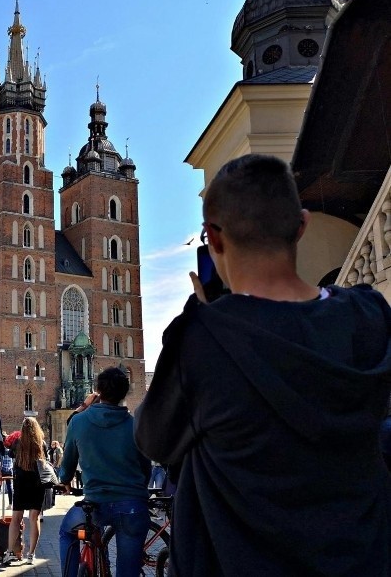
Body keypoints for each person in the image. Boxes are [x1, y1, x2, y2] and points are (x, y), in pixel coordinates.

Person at [135, 154, 391, 576]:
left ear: (214, 240)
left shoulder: (203, 337)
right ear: (302, 225)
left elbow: (153, 440)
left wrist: (198, 315)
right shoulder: (369, 317)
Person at [57, 368, 150, 577]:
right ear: (124, 393)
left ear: (97, 390)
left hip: (95, 506)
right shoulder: (135, 426)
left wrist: (64, 480)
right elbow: (146, 468)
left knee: (67, 532)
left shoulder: (78, 422)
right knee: (128, 569)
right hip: (132, 506)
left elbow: (68, 462)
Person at [1, 417, 48, 566]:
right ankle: (31, 555)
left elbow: (9, 454)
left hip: (21, 484)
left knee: (16, 519)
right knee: (34, 518)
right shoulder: (41, 444)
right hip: (37, 485)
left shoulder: (17, 444)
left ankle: (9, 552)